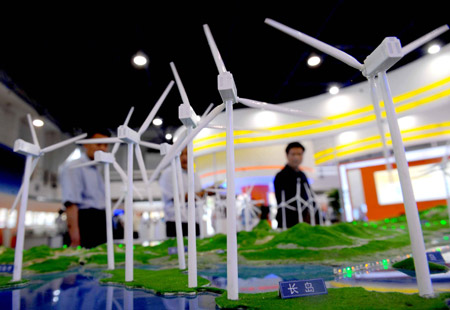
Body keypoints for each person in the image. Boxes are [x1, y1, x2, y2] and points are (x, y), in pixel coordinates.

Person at [58, 129, 110, 248]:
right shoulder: (74, 167)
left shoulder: (97, 168)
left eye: (106, 145)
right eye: (98, 144)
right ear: (86, 144)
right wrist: (75, 238)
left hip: (100, 220)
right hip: (85, 222)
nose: (102, 148)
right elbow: (71, 204)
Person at [158, 146, 208, 238]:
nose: (184, 158)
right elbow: (178, 198)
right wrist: (201, 193)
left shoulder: (194, 175)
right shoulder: (169, 173)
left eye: (187, 154)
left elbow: (198, 195)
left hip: (194, 221)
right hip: (175, 222)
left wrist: (205, 193)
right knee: (177, 250)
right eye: (181, 154)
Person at [273, 141, 317, 229]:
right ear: (287, 155)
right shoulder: (281, 176)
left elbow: (309, 196)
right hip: (288, 222)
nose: (296, 157)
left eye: (299, 154)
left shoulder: (302, 175)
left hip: (304, 220)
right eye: (293, 154)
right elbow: (281, 201)